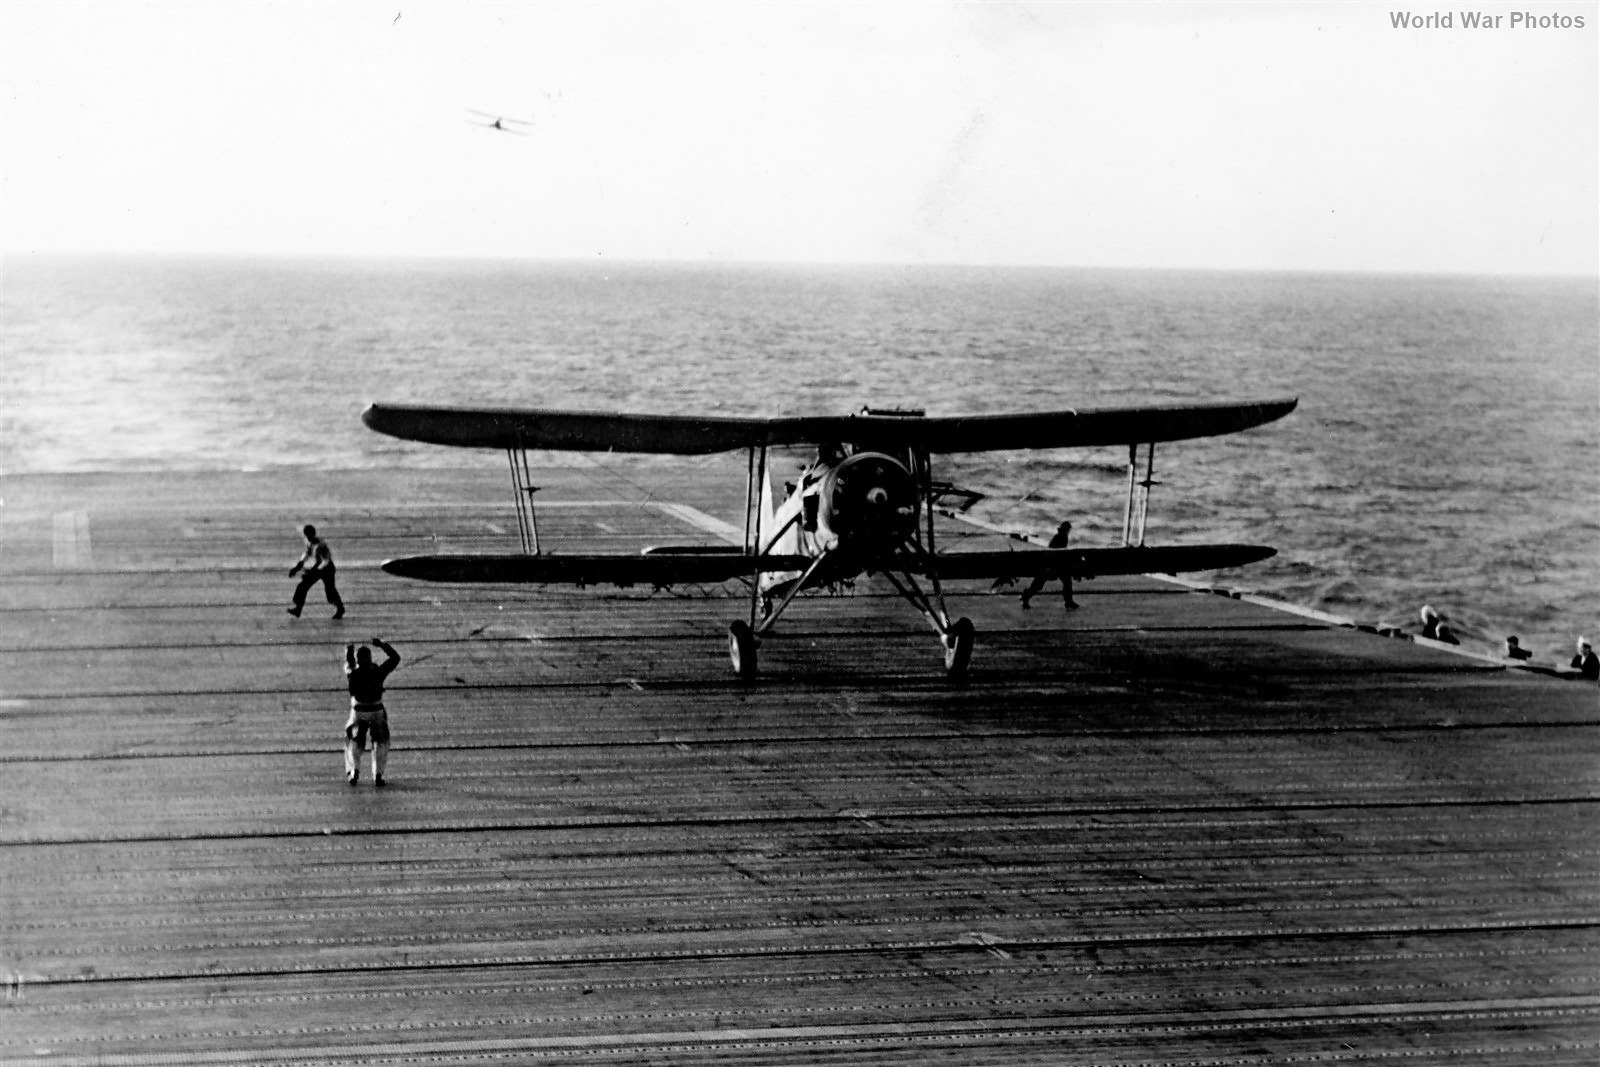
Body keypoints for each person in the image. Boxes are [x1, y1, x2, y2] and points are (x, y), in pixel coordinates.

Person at [344, 637, 401, 785]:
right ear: (370, 658)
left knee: (353, 740)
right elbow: (395, 658)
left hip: (359, 710)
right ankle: (378, 774)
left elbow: (349, 663)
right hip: (376, 710)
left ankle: (354, 770)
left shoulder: (352, 673)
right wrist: (382, 645)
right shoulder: (378, 672)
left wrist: (349, 650)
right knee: (381, 742)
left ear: (358, 659)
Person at [288, 524, 344, 619]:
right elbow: (307, 553)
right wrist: (297, 567)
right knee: (302, 586)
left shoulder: (320, 545)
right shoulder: (309, 541)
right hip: (318, 567)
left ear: (313, 535)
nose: (308, 538)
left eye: (309, 536)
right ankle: (298, 609)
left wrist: (312, 572)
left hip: (327, 569)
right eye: (307, 535)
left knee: (330, 591)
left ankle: (340, 608)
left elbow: (325, 561)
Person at [1020, 521, 1077, 611]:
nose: (1069, 531)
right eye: (1068, 529)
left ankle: (1069, 601)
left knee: (1039, 584)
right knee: (1040, 584)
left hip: (1053, 565)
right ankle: (1068, 602)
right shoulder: (1061, 537)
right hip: (1052, 566)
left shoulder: (1059, 536)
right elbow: (1055, 553)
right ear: (1066, 529)